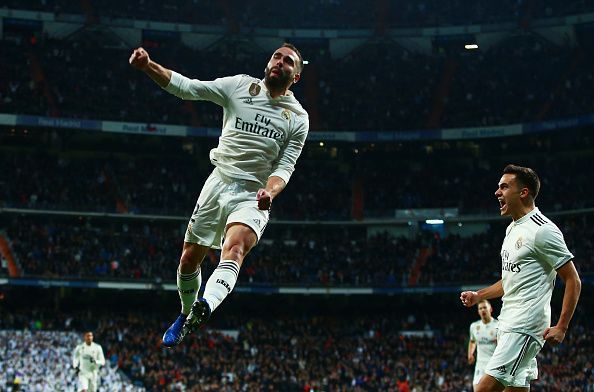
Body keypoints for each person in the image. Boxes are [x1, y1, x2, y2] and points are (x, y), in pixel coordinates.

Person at [129, 43, 309, 347]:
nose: (280, 62)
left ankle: (207, 305)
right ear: (267, 62)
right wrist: (148, 65)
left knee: (235, 248)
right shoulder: (238, 86)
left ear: (296, 76)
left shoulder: (298, 118)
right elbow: (188, 88)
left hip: (253, 195)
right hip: (219, 183)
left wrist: (271, 191)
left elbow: (285, 167)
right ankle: (187, 313)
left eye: (288, 61)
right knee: (189, 260)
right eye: (276, 56)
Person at [460, 164, 581, 392]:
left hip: (525, 325)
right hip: (508, 321)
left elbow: (573, 279)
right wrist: (479, 296)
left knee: (483, 389)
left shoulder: (543, 230)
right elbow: (509, 281)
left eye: (504, 187)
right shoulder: (512, 229)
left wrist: (562, 326)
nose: (497, 192)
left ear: (523, 192)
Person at [468, 300, 498, 390]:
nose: (483, 310)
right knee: (477, 389)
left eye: (485, 307)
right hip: (480, 365)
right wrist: (470, 354)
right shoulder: (474, 326)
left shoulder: (498, 326)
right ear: (478, 311)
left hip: (495, 364)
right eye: (480, 308)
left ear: (490, 309)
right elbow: (472, 341)